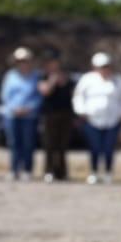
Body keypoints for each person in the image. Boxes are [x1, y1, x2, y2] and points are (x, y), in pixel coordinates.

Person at [72, 53, 121, 183]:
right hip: (92, 120)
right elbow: (78, 96)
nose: (104, 69)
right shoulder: (87, 79)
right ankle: (93, 171)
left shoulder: (118, 80)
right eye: (101, 67)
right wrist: (81, 111)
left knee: (109, 148)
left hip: (112, 121)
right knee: (94, 147)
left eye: (107, 66)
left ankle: (108, 173)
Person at [0, 47, 42, 181]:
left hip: (30, 116)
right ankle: (13, 169)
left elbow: (38, 96)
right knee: (13, 143)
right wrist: (14, 108)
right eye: (20, 61)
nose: (22, 63)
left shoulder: (36, 76)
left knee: (28, 143)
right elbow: (4, 96)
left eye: (25, 60)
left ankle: (27, 170)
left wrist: (28, 108)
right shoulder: (10, 75)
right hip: (12, 115)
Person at [38, 54, 76, 182]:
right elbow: (45, 91)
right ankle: (49, 171)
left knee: (63, 145)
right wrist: (53, 81)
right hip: (50, 115)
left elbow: (74, 94)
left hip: (65, 115)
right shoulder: (43, 77)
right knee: (49, 144)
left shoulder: (68, 78)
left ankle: (62, 172)